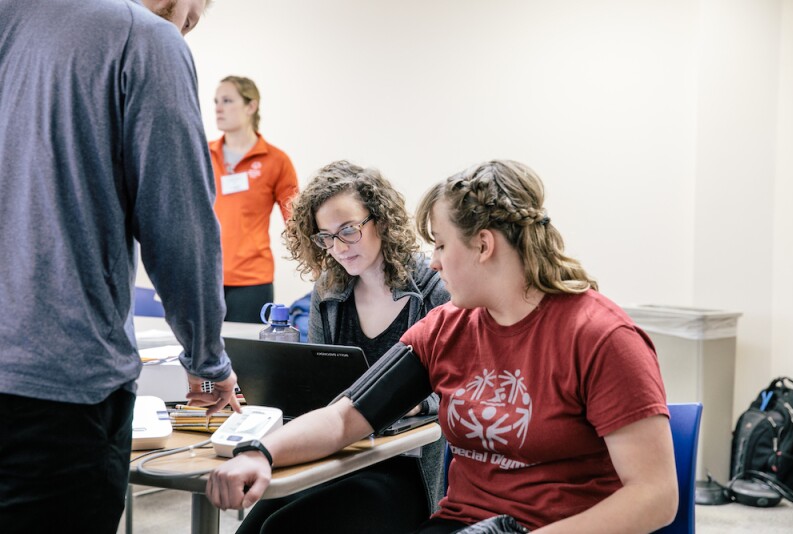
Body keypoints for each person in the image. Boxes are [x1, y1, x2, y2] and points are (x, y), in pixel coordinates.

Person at [206, 160, 678, 533]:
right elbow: (344, 416)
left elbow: (655, 497)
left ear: (484, 246)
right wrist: (259, 453)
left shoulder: (602, 337)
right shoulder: (449, 327)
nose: (431, 262)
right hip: (461, 524)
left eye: (440, 245)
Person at [0, 1, 239, 532]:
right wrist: (208, 359)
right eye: (196, 14)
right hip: (59, 395)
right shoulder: (145, 39)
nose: (190, 25)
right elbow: (180, 227)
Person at [236, 160, 450, 533]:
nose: (338, 247)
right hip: (338, 454)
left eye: (349, 230)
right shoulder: (329, 292)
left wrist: (416, 400)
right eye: (326, 236)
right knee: (252, 528)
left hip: (404, 466)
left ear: (380, 220)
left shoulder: (432, 287)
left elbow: (457, 391)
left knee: (284, 528)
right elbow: (319, 388)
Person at [209, 76, 299, 323]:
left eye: (227, 100)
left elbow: (296, 222)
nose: (218, 107)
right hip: (204, 278)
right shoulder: (201, 154)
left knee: (245, 358)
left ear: (251, 106)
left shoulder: (276, 160)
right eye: (216, 101)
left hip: (251, 281)